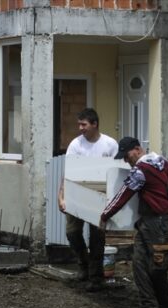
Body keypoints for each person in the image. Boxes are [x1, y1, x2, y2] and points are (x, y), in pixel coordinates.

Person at [100, 137, 168, 308]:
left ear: (138, 149)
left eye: (127, 155)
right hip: (152, 222)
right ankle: (150, 306)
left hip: (158, 223)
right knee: (139, 263)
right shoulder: (162, 163)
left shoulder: (140, 170)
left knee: (156, 266)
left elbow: (123, 194)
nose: (125, 160)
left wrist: (105, 215)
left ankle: (163, 305)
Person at [57, 108, 118, 291]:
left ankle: (95, 277)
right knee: (72, 233)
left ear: (94, 124)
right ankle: (83, 266)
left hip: (100, 197)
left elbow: (116, 172)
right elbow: (68, 171)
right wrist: (61, 196)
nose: (80, 128)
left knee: (97, 238)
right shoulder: (76, 145)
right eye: (79, 124)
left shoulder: (110, 144)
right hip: (77, 194)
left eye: (83, 124)